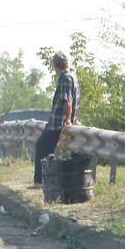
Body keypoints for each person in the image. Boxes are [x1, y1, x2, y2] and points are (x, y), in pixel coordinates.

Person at [30, 51, 81, 187]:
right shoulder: (73, 75)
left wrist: (67, 120)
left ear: (55, 65)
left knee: (41, 146)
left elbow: (67, 101)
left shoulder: (65, 78)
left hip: (58, 123)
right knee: (46, 148)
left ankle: (39, 181)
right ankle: (44, 179)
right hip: (62, 121)